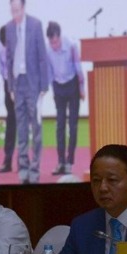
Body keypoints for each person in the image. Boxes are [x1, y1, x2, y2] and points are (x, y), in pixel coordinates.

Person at [5, 0, 49, 184]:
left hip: (33, 84)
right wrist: (11, 87)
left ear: (23, 8)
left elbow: (42, 56)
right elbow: (8, 59)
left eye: (17, 10)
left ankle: (35, 168)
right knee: (21, 127)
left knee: (36, 128)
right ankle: (23, 167)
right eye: (12, 10)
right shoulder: (8, 28)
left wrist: (44, 86)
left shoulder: (35, 25)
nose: (14, 13)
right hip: (18, 83)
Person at [45, 21, 85, 176]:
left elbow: (78, 68)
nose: (54, 45)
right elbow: (49, 71)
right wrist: (48, 88)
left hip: (73, 85)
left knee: (72, 125)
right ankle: (60, 161)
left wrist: (82, 89)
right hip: (58, 87)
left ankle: (70, 162)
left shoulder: (71, 45)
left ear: (59, 37)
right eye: (51, 42)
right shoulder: (48, 50)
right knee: (60, 125)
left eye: (55, 41)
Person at [0, 26, 16, 173]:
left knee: (23, 124)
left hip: (21, 84)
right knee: (11, 121)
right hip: (7, 82)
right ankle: (7, 161)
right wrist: (8, 86)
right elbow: (1, 66)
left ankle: (25, 163)